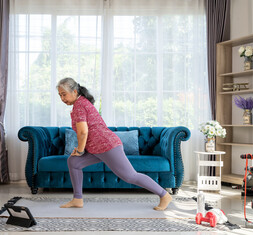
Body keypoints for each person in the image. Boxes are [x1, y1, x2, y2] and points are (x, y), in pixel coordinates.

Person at [56, 77, 172, 211]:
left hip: (107, 146)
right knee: (74, 162)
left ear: (75, 91)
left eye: (64, 94)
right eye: (60, 95)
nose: (62, 98)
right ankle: (77, 199)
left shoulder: (79, 105)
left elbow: (83, 131)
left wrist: (80, 150)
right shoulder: (81, 103)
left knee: (130, 176)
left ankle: (164, 195)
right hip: (97, 148)